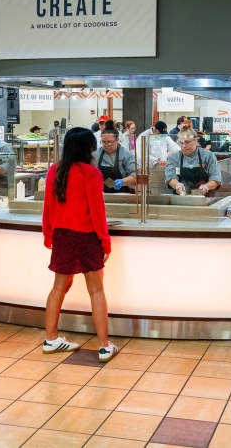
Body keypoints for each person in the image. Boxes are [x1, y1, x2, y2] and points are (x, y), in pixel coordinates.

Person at [42, 127, 117, 361]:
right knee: (96, 290)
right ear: (89, 147)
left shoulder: (55, 170)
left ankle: (51, 339)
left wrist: (48, 235)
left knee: (58, 288)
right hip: (86, 236)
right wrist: (105, 242)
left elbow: (48, 207)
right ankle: (104, 346)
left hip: (62, 235)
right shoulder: (91, 173)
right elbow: (98, 212)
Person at [166, 125, 222, 196]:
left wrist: (206, 186)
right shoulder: (174, 158)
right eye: (181, 143)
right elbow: (170, 177)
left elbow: (216, 178)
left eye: (187, 142)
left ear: (195, 140)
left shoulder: (208, 156)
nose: (184, 146)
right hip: (181, 200)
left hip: (205, 200)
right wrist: (177, 185)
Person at [93, 120, 136, 193]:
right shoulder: (95, 155)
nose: (106, 145)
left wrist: (122, 182)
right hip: (101, 195)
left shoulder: (126, 155)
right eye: (103, 142)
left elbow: (135, 177)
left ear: (117, 140)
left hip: (122, 196)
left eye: (109, 142)